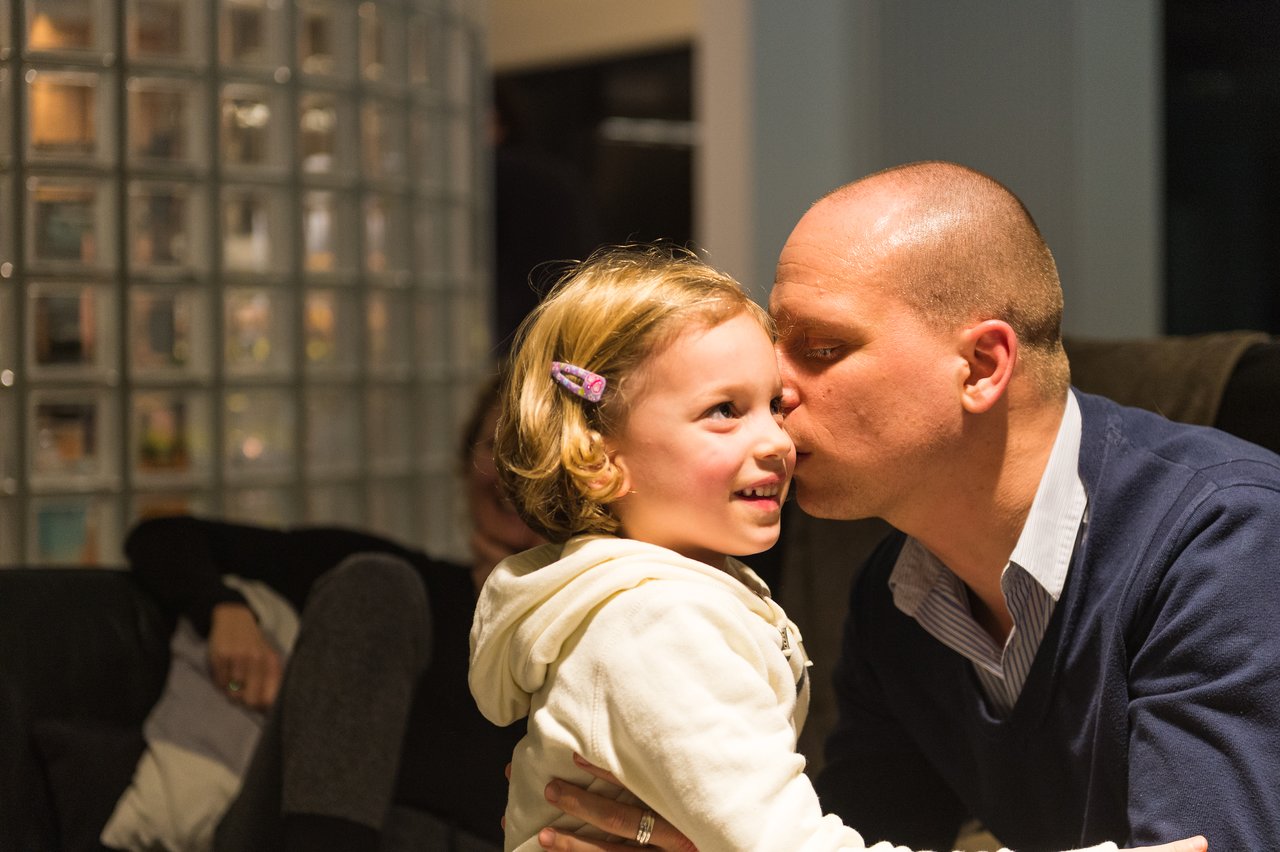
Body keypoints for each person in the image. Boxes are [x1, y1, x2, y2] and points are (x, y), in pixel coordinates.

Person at [536, 161, 1277, 851]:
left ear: (983, 366)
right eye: (774, 341)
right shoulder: (896, 592)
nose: (772, 382)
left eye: (820, 347)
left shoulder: (1227, 539)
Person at [124, 374, 542, 852]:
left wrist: (533, 595)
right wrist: (223, 610)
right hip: (310, 836)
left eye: (532, 455)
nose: (511, 472)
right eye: (495, 447)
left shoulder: (594, 625)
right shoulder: (399, 587)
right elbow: (164, 538)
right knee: (376, 585)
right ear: (465, 462)